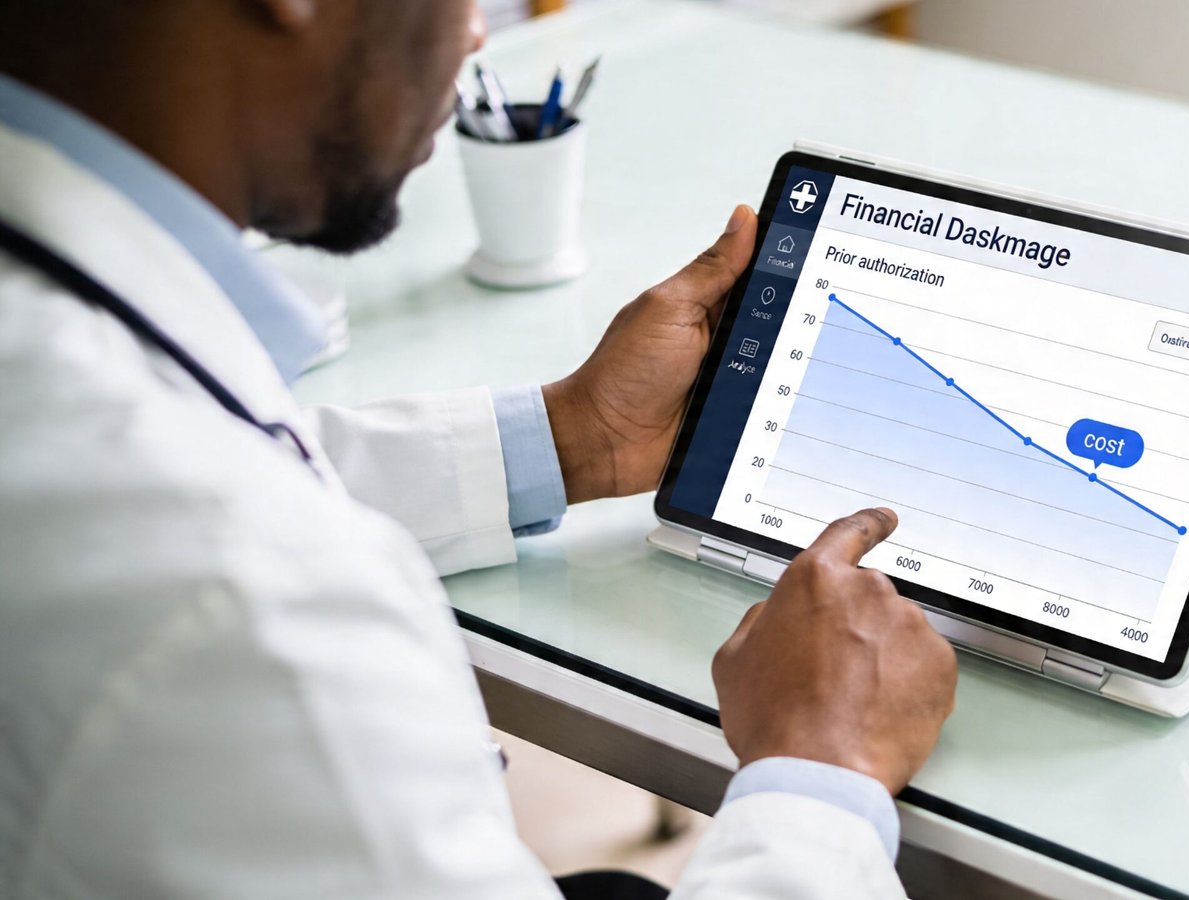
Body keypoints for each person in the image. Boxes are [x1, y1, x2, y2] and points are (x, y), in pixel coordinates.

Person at [0, 1, 959, 898]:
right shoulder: (245, 607)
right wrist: (821, 773)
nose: (476, 38)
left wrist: (574, 436)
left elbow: (209, 457)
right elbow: (219, 525)